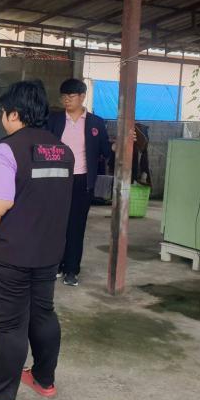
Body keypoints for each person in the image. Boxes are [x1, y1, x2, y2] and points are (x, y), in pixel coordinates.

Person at [0, 80, 74, 400]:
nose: (3, 118)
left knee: (11, 325)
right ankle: (43, 379)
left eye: (4, 112)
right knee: (42, 313)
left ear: (14, 114)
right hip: (48, 253)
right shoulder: (63, 151)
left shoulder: (6, 151)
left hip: (10, 255)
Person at [46, 78, 113, 287]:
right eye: (63, 96)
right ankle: (56, 265)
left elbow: (106, 151)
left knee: (76, 226)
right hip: (57, 179)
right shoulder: (54, 120)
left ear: (82, 97)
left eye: (71, 96)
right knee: (56, 225)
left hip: (83, 181)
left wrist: (121, 145)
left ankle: (72, 270)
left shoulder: (96, 123)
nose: (66, 100)